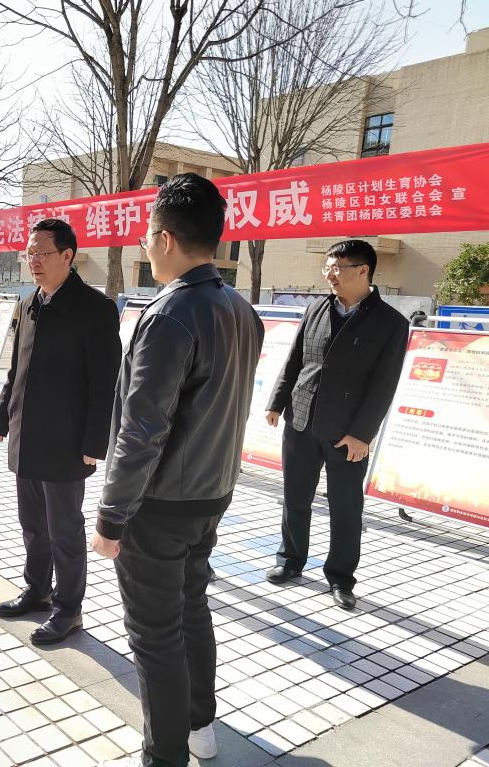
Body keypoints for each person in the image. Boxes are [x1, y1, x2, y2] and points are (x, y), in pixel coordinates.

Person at [91, 174, 263, 767]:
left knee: (155, 635)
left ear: (165, 238)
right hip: (212, 492)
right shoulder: (240, 309)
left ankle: (164, 756)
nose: (144, 245)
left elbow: (142, 429)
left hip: (159, 503)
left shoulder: (170, 314)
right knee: (191, 609)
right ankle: (199, 727)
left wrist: (112, 516)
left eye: (147, 235)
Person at [0, 218, 121, 646]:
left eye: (42, 253)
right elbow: (17, 369)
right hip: (27, 434)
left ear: (67, 255)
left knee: (64, 530)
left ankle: (69, 609)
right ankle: (38, 590)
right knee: (32, 524)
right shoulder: (30, 303)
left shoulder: (94, 309)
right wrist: (2, 417)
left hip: (66, 441)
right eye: (29, 253)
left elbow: (105, 383)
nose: (34, 261)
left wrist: (94, 442)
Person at [264, 239, 408, 610]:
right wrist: (277, 402)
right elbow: (295, 359)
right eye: (327, 267)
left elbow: (384, 386)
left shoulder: (391, 323)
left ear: (363, 271)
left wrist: (362, 435)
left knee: (345, 507)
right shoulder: (316, 308)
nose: (330, 274)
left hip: (347, 433)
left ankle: (341, 577)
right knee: (295, 496)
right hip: (301, 420)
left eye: (337, 268)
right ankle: (290, 559)